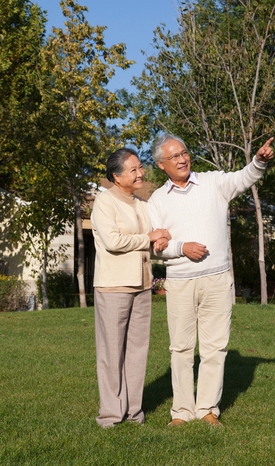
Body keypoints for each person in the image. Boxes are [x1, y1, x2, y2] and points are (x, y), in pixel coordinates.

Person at [147, 133, 274, 427]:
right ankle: (181, 412)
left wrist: (258, 161)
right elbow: (157, 247)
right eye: (174, 156)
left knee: (214, 348)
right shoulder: (155, 201)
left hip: (217, 280)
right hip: (179, 282)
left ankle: (207, 409)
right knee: (180, 349)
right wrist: (183, 247)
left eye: (184, 153)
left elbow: (243, 178)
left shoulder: (213, 183)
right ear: (161, 165)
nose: (182, 159)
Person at [91, 147, 171, 428]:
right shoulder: (104, 201)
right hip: (113, 286)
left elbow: (154, 238)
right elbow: (114, 241)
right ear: (116, 176)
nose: (141, 173)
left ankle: (133, 412)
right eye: (134, 169)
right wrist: (148, 238)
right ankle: (111, 415)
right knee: (112, 353)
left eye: (140, 167)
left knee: (137, 351)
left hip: (142, 285)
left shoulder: (141, 204)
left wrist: (160, 239)